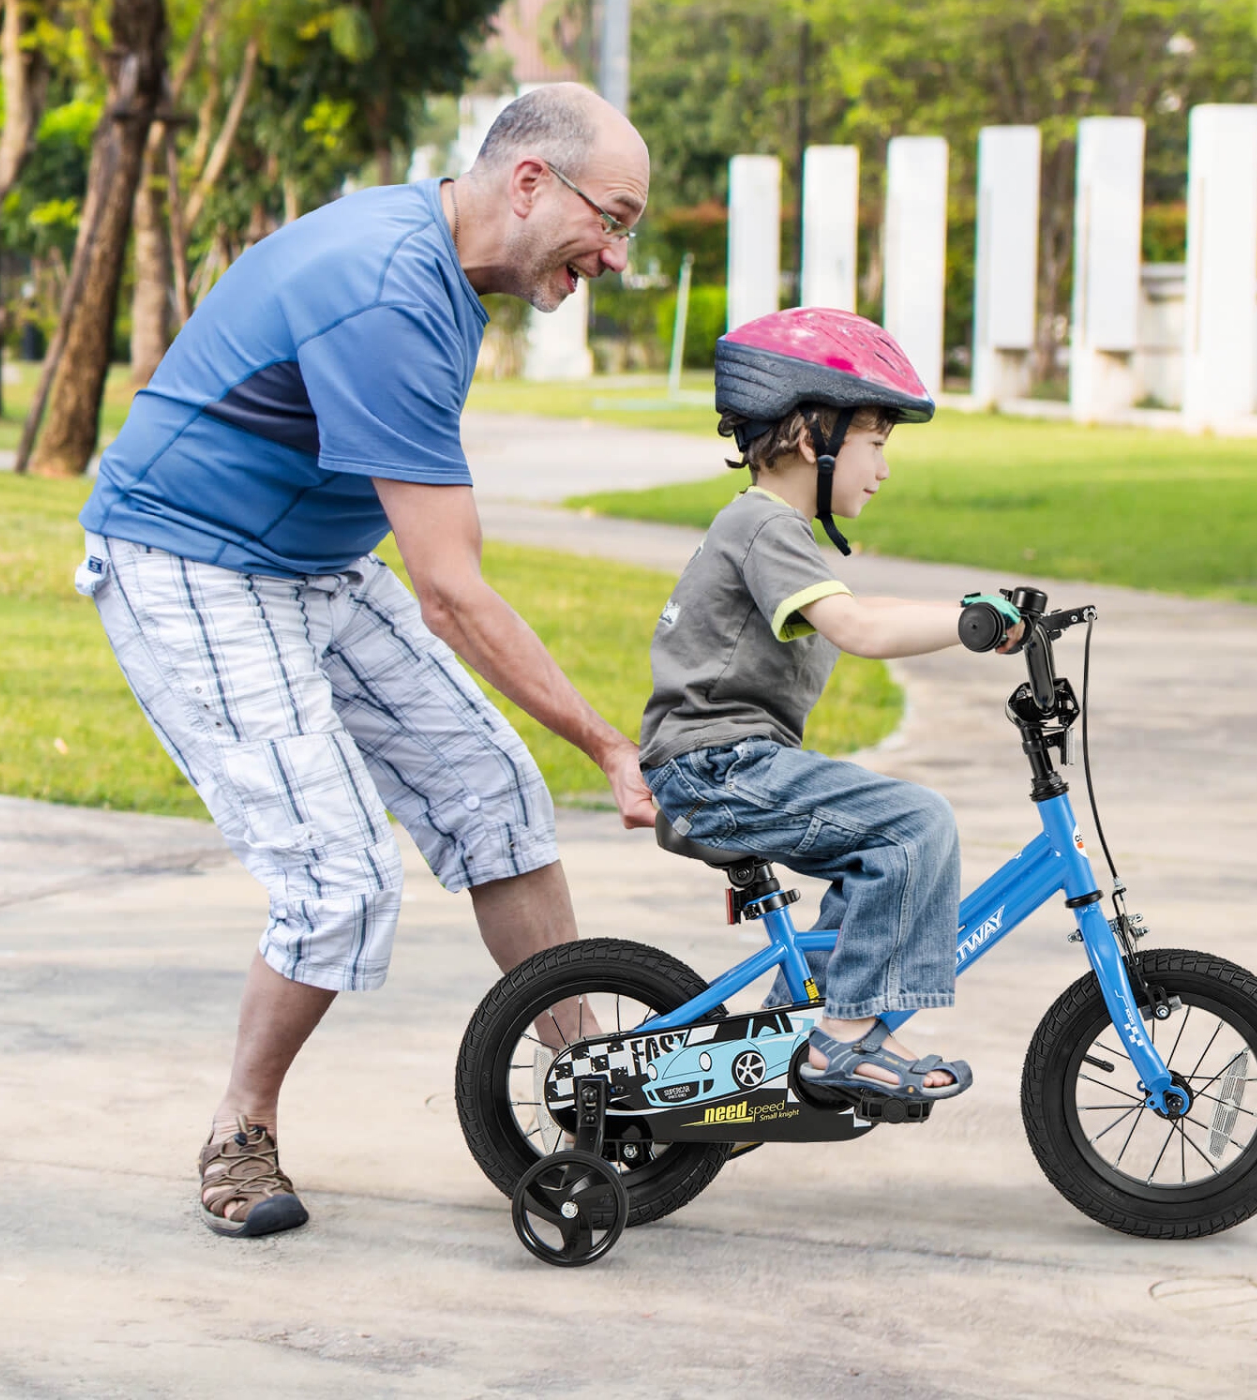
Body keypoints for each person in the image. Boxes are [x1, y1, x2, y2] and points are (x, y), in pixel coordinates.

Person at [74, 83, 657, 1237]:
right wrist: (603, 739)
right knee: (339, 876)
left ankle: (588, 1088)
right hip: (189, 563)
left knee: (493, 792)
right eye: (616, 218)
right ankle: (239, 1131)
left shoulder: (450, 268)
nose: (621, 256)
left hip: (314, 564)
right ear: (530, 182)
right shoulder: (390, 288)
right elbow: (450, 589)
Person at [638, 308, 1025, 1101]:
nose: (882, 468)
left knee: (876, 848)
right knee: (914, 824)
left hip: (729, 765)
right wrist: (968, 626)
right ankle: (840, 1043)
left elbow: (859, 606)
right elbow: (857, 627)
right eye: (875, 443)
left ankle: (798, 1025)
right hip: (720, 768)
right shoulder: (764, 524)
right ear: (814, 436)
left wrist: (970, 610)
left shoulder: (774, 533)